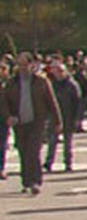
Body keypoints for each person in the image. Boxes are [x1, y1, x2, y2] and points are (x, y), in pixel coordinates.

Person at [1, 52, 61, 195]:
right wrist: (8, 116)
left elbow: (51, 101)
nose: (22, 67)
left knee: (33, 151)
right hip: (19, 122)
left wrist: (57, 121)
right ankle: (26, 181)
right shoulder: (11, 82)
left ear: (31, 65)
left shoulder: (41, 81)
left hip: (37, 121)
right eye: (20, 64)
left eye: (25, 64)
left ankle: (35, 181)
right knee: (23, 152)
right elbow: (3, 102)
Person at [44, 61, 82, 173]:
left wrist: (77, 119)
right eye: (56, 71)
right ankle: (49, 162)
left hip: (69, 116)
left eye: (61, 71)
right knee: (52, 140)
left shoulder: (72, 85)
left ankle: (68, 162)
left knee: (68, 142)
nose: (59, 74)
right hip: (54, 117)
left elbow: (78, 102)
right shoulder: (51, 84)